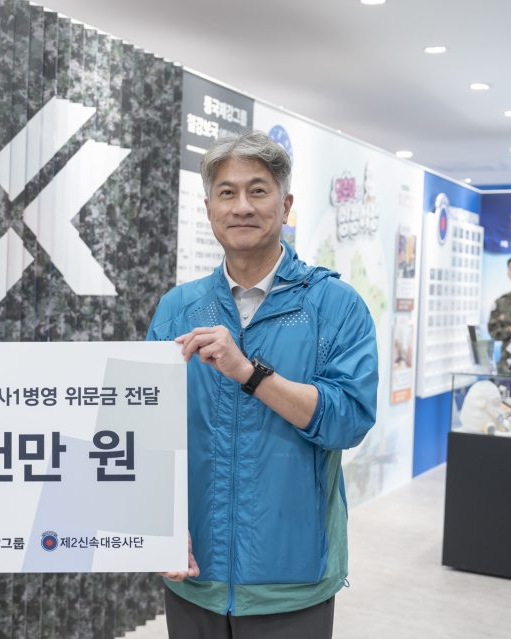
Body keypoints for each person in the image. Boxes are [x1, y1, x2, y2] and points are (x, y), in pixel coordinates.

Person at [147, 131, 378, 638]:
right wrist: (158, 525)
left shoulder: (335, 305)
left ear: (285, 204)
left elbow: (350, 420)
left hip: (290, 579)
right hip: (194, 574)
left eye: (258, 190)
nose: (242, 207)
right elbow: (144, 434)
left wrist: (250, 372)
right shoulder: (177, 308)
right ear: (209, 209)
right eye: (227, 193)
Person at [487, 256, 511, 373]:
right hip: (508, 367)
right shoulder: (502, 302)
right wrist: (510, 329)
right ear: (508, 274)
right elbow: (492, 331)